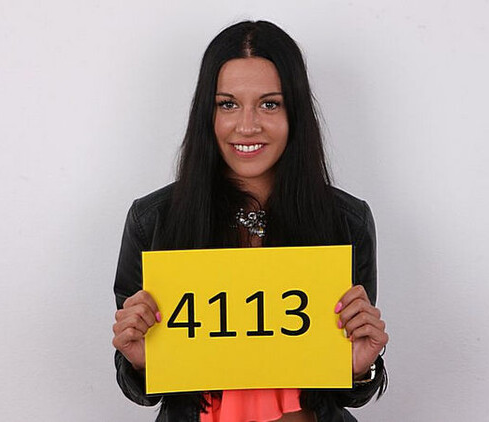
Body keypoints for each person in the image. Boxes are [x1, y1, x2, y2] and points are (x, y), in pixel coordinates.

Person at [111, 20, 388, 422]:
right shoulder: (152, 221)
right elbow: (142, 386)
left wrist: (360, 367)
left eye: (269, 104)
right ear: (207, 114)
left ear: (295, 113)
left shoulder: (348, 222)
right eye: (228, 104)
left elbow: (348, 388)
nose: (247, 126)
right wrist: (141, 362)